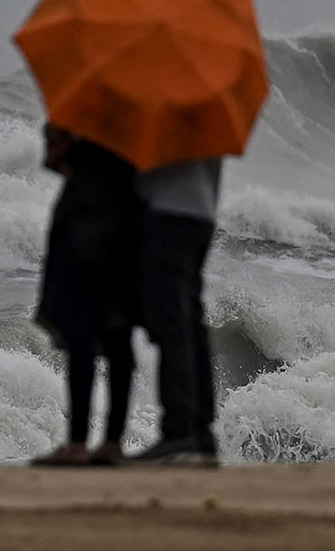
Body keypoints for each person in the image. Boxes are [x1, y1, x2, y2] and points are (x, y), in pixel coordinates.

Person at [31, 124, 143, 466]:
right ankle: (111, 441)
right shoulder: (137, 124)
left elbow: (55, 159)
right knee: (116, 338)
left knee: (86, 340)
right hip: (125, 225)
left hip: (87, 227)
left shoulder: (85, 115)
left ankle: (81, 441)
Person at [128, 157, 223, 467]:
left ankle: (179, 430)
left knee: (171, 322)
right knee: (191, 321)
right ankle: (201, 432)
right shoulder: (207, 111)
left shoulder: (165, 114)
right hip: (202, 214)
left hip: (169, 214)